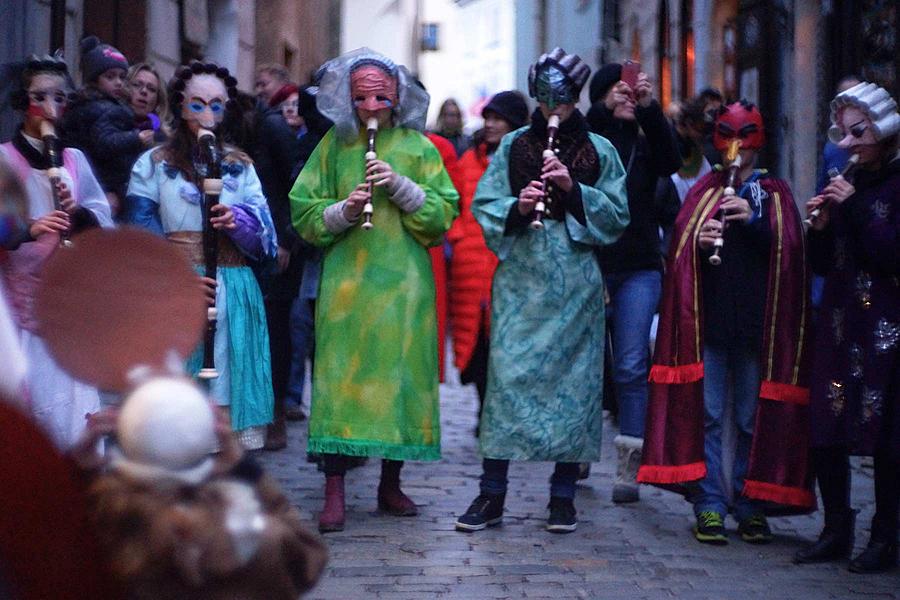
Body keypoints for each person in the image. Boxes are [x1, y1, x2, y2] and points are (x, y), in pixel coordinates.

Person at [455, 48, 629, 534]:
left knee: (574, 388)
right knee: (507, 382)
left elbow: (617, 217)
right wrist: (517, 205)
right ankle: (492, 495)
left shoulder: (601, 149)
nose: (555, 109)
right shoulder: (512, 146)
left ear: (576, 98)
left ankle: (562, 496)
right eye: (547, 98)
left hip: (575, 284)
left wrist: (572, 189)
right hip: (521, 281)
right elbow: (485, 206)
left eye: (564, 100)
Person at [290, 48, 458, 533]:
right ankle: (335, 490)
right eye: (361, 98)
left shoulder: (419, 147)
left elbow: (442, 215)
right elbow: (303, 209)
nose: (370, 108)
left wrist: (403, 189)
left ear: (397, 99)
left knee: (401, 380)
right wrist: (343, 209)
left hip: (404, 286)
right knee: (340, 383)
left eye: (380, 98)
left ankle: (390, 483)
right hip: (347, 285)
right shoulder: (334, 146)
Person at [638, 101, 813, 544]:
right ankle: (710, 503)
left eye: (745, 137)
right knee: (711, 415)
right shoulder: (704, 191)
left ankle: (750, 503)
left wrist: (752, 224)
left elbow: (789, 250)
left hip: (758, 325)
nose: (736, 147)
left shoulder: (774, 191)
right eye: (728, 136)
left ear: (758, 141)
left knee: (752, 417)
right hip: (712, 323)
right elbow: (679, 249)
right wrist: (699, 240)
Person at [125, 61, 278, 450]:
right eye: (197, 105)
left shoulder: (240, 167)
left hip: (231, 287)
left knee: (225, 390)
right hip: (174, 289)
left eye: (216, 105)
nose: (207, 115)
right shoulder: (153, 164)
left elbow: (266, 239)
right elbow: (140, 230)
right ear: (179, 107)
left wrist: (236, 221)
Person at [73, 376, 327, 598]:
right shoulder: (258, 540)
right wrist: (245, 468)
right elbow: (309, 560)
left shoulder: (108, 540)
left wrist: (80, 473)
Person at [794, 82, 900, 573]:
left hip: (885, 323)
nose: (850, 143)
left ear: (884, 130)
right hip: (840, 319)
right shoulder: (844, 178)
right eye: (843, 133)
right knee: (827, 422)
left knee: (886, 435)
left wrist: (853, 206)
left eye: (860, 132)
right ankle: (836, 528)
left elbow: (887, 253)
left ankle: (885, 537)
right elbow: (821, 264)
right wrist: (818, 227)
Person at [0, 54, 113, 448]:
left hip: (67, 305)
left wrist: (76, 211)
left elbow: (102, 223)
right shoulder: (3, 159)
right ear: (21, 102)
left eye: (60, 99)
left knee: (73, 414)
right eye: (40, 98)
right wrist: (29, 227)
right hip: (18, 307)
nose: (50, 109)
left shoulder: (73, 160)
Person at [585, 62, 682, 503]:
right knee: (587, 365)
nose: (627, 96)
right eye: (617, 91)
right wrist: (608, 108)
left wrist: (648, 109)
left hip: (639, 267)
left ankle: (629, 463)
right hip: (590, 265)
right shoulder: (587, 140)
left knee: (629, 364)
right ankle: (577, 449)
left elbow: (672, 159)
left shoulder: (646, 145)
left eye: (632, 90)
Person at [446, 90, 528, 425]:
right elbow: (454, 204)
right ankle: (485, 409)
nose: (491, 125)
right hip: (470, 265)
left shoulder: (524, 161)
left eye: (498, 119)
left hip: (508, 262)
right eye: (488, 118)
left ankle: (503, 411)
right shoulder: (469, 160)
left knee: (508, 338)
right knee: (475, 343)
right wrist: (459, 238)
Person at [250, 81, 303, 451]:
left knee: (277, 328)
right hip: (246, 237)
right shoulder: (254, 125)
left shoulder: (271, 128)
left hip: (278, 241)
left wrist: (285, 239)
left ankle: (276, 412)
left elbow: (291, 185)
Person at [62, 36, 153, 219]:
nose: (118, 82)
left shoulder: (84, 105)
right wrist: (136, 138)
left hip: (89, 183)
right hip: (105, 185)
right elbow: (104, 142)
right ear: (95, 80)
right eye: (110, 77)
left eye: (121, 76)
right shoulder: (107, 109)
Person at [126, 62, 170, 142]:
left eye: (151, 89)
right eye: (136, 85)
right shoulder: (108, 125)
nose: (144, 91)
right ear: (125, 88)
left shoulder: (164, 141)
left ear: (158, 100)